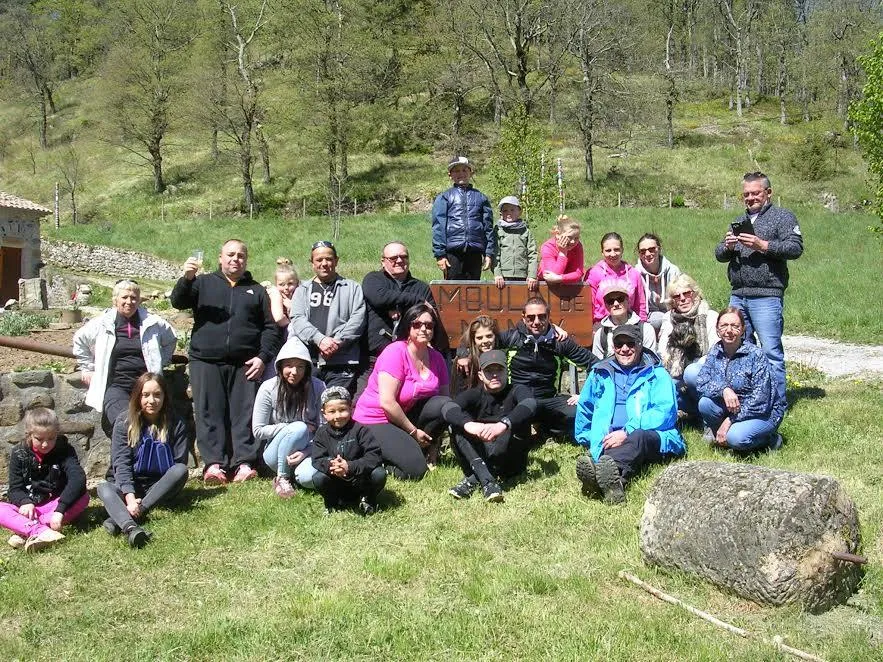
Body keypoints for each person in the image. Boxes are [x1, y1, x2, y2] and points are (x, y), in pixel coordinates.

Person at [170, 238, 282, 485]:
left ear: (246, 260)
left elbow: (270, 328)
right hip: (205, 361)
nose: (235, 259)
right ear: (220, 258)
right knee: (209, 411)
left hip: (246, 363)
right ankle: (214, 465)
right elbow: (178, 301)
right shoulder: (203, 283)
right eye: (230, 254)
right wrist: (187, 278)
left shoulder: (256, 290)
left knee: (245, 412)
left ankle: (244, 463)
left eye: (240, 255)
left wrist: (262, 358)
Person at [715, 171, 803, 407]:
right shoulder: (738, 221)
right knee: (739, 349)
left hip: (766, 295)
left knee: (771, 352)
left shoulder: (783, 217)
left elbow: (795, 248)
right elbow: (719, 254)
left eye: (755, 193)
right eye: (746, 194)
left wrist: (762, 245)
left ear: (768, 193)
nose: (750, 198)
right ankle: (748, 401)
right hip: (738, 295)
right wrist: (727, 246)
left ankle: (777, 406)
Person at [574, 325, 685, 504]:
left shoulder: (657, 374)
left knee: (638, 436)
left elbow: (665, 413)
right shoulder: (599, 372)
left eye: (630, 344)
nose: (624, 349)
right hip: (610, 438)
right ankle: (610, 483)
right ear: (613, 347)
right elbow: (586, 406)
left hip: (653, 437)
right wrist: (587, 438)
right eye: (619, 344)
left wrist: (627, 431)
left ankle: (609, 474)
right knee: (613, 448)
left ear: (640, 345)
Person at [353, 303, 455, 479]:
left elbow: (445, 400)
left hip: (403, 416)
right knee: (415, 471)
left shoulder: (437, 358)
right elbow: (387, 402)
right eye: (417, 324)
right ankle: (378, 459)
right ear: (408, 326)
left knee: (443, 404)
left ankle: (421, 449)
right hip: (375, 419)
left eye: (429, 325)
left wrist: (434, 443)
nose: (423, 329)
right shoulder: (395, 352)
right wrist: (413, 432)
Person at [72, 279, 177, 436]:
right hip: (116, 385)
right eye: (124, 297)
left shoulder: (152, 322)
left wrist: (161, 361)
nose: (129, 301)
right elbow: (79, 340)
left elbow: (171, 339)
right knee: (124, 422)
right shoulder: (102, 322)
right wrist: (87, 368)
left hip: (145, 386)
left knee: (151, 425)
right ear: (115, 300)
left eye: (134, 298)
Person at [97, 372, 189, 548]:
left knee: (181, 470)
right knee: (104, 488)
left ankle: (126, 515)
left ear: (165, 397)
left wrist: (140, 503)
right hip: (128, 486)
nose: (151, 400)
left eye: (157, 395)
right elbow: (121, 464)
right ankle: (131, 528)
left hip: (158, 487)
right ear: (137, 397)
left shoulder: (177, 423)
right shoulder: (123, 422)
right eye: (146, 395)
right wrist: (130, 498)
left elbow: (178, 462)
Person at [497, 296, 597, 441]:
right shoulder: (511, 338)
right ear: (523, 318)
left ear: (548, 316)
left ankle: (545, 428)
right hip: (517, 400)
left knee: (580, 412)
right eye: (531, 317)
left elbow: (596, 365)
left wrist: (585, 394)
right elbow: (479, 340)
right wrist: (464, 355)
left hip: (548, 399)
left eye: (542, 316)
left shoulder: (560, 342)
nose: (536, 322)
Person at [443, 350, 537, 503]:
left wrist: (503, 424)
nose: (494, 375)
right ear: (480, 375)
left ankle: (476, 479)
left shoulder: (517, 390)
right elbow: (448, 407)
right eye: (489, 371)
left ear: (507, 372)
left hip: (510, 460)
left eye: (499, 370)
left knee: (519, 421)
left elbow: (530, 404)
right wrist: (469, 424)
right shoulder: (474, 394)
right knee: (456, 425)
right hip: (481, 452)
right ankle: (488, 481)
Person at [696, 307, 785, 452]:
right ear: (717, 329)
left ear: (743, 329)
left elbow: (760, 401)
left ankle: (771, 439)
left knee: (736, 438)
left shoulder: (755, 355)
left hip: (762, 413)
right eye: (724, 325)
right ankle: (721, 437)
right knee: (705, 403)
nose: (729, 330)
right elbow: (701, 382)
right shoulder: (715, 351)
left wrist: (730, 420)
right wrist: (724, 390)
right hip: (731, 408)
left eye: (735, 326)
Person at [1, 408, 88, 552]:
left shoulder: (64, 450)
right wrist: (25, 502)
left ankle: (24, 530)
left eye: (51, 438)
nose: (45, 444)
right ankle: (41, 531)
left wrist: (60, 509)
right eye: (39, 439)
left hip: (55, 506)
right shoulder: (18, 453)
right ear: (29, 434)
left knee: (83, 497)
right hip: (31, 508)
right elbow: (15, 489)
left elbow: (77, 478)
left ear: (57, 434)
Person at [360, 241, 438, 394]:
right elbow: (379, 297)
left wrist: (396, 303)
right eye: (393, 258)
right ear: (383, 261)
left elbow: (430, 314)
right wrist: (417, 300)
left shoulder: (421, 287)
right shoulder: (373, 279)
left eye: (404, 256)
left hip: (410, 360)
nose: (400, 260)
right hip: (373, 359)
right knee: (362, 401)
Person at [289, 240, 366, 396]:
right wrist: (320, 340)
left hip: (342, 363)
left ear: (336, 261)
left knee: (336, 407)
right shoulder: (302, 290)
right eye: (319, 260)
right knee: (308, 407)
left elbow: (358, 319)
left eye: (329, 259)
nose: (324, 264)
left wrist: (336, 343)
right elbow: (297, 318)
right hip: (309, 363)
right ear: (312, 263)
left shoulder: (352, 288)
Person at [252, 338, 325, 498]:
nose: (294, 372)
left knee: (309, 478)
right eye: (289, 365)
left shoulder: (318, 386)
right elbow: (258, 431)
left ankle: (296, 475)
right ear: (280, 366)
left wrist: (307, 451)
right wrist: (289, 427)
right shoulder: (268, 388)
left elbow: (323, 429)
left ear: (307, 368)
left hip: (307, 450)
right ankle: (282, 477)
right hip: (275, 453)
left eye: (300, 366)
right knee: (299, 428)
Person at [312, 386, 386, 516]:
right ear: (324, 413)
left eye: (342, 410)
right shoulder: (321, 433)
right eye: (332, 411)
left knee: (379, 474)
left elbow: (374, 455)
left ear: (351, 409)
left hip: (359, 479)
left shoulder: (361, 430)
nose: (338, 416)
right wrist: (332, 466)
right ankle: (332, 503)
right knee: (318, 478)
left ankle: (367, 499)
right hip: (336, 481)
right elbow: (317, 459)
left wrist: (350, 466)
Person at [657, 274, 719, 417]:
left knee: (691, 372)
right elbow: (663, 350)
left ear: (694, 294)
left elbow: (714, 352)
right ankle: (687, 413)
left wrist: (690, 366)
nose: (683, 299)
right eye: (677, 296)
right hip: (676, 370)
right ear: (672, 301)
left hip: (704, 369)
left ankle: (708, 413)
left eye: (686, 293)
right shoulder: (668, 318)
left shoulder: (710, 316)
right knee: (664, 380)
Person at [431, 155, 496, 281]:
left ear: (471, 172)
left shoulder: (481, 198)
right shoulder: (445, 197)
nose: (461, 173)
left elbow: (488, 228)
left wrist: (488, 254)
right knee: (453, 289)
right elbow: (438, 226)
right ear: (450, 175)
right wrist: (440, 255)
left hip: (475, 252)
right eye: (456, 171)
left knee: (473, 290)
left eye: (464, 170)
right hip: (453, 253)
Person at [587, 232, 647, 325]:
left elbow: (640, 305)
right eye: (608, 250)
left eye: (616, 249)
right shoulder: (594, 273)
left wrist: (642, 325)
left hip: (629, 323)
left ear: (622, 250)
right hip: (601, 323)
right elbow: (588, 304)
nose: (613, 254)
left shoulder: (634, 274)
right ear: (602, 252)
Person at [592, 282, 656, 360]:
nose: (616, 304)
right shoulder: (600, 334)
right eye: (610, 301)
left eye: (620, 299)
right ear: (606, 305)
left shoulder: (646, 330)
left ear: (628, 301)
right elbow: (598, 363)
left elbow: (651, 360)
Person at [633, 233, 682, 332]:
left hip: (673, 312)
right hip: (649, 316)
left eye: (651, 249)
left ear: (659, 249)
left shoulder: (673, 271)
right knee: (660, 319)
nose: (647, 254)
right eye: (643, 251)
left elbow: (680, 297)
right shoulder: (636, 274)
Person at [493, 196, 538, 290]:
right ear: (501, 213)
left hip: (524, 276)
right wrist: (497, 274)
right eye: (505, 210)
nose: (509, 213)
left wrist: (532, 275)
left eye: (512, 210)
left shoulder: (526, 231)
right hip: (503, 277)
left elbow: (532, 254)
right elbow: (495, 253)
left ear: (519, 212)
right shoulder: (498, 230)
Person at [453, 315, 500, 393]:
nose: (485, 341)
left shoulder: (501, 354)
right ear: (473, 340)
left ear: (495, 336)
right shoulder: (465, 364)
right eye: (479, 338)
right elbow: (460, 394)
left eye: (489, 336)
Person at [538, 215, 584, 284]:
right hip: (544, 284)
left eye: (576, 238)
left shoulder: (577, 246)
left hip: (567, 283)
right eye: (569, 237)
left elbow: (578, 273)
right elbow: (553, 276)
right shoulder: (548, 247)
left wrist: (560, 278)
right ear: (557, 234)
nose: (573, 241)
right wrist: (563, 253)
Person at [268, 258, 299, 329]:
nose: (286, 287)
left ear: (297, 283)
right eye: (281, 284)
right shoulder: (275, 296)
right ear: (276, 284)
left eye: (290, 283)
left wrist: (292, 307)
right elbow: (279, 319)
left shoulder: (301, 295)